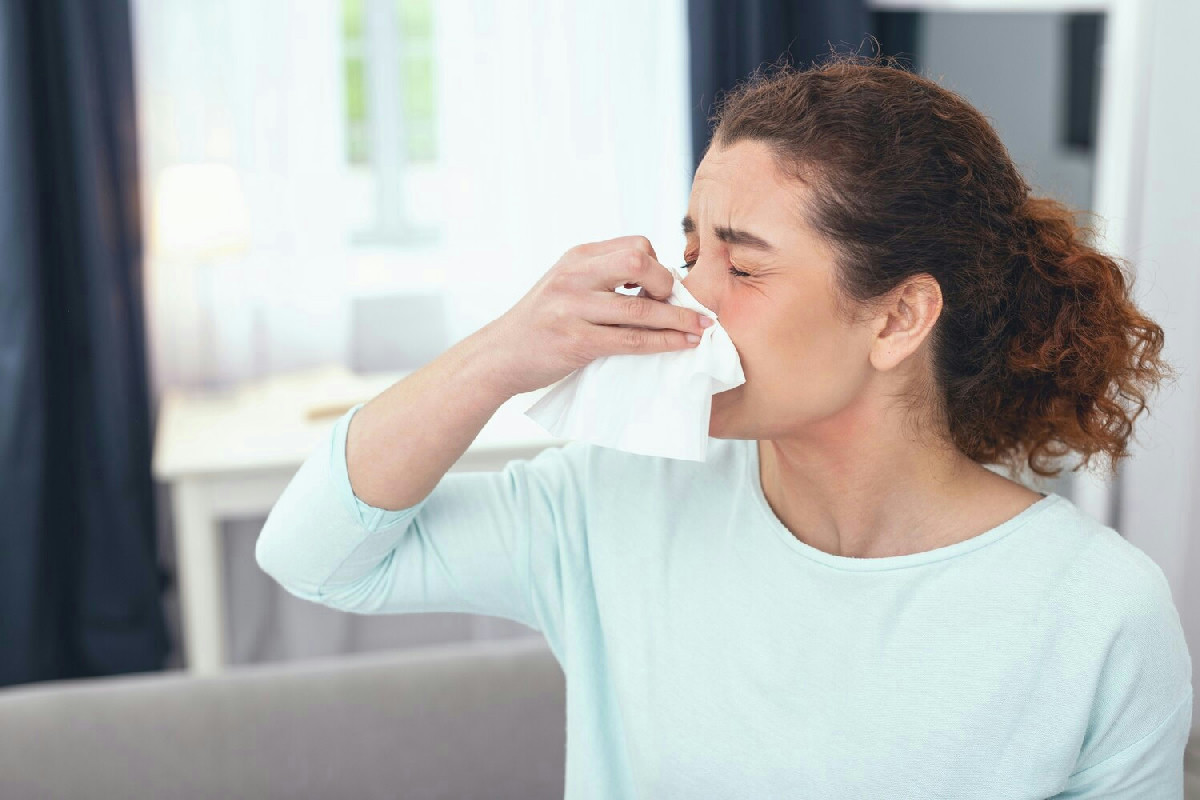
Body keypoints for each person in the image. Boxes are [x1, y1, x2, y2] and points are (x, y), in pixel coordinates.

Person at [256, 51, 1191, 798]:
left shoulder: (1094, 611)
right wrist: (506, 350)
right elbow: (316, 555)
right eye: (690, 250)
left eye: (741, 270)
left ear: (898, 318)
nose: (688, 300)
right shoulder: (612, 502)